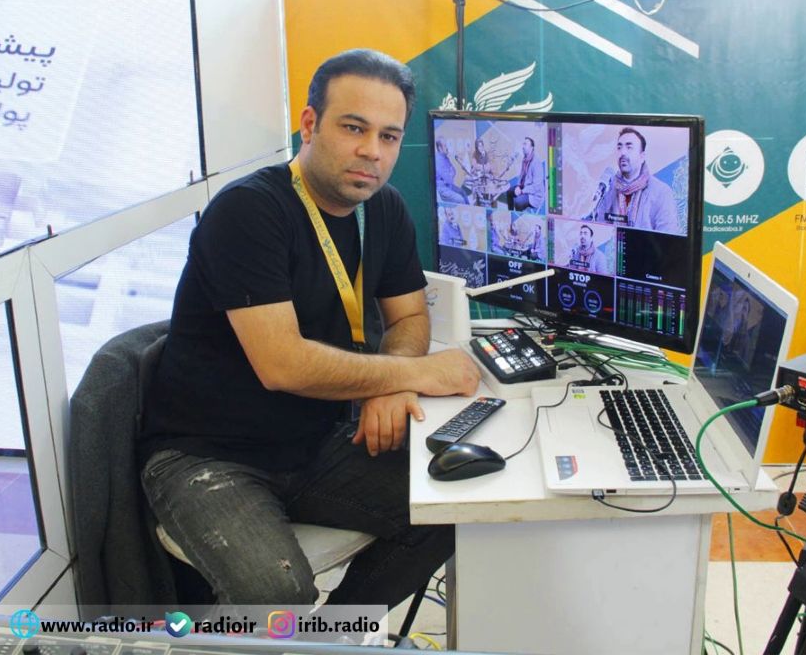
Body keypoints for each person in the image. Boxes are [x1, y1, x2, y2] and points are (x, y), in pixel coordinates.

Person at [139, 49, 480, 610]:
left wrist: (393, 380)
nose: (372, 151)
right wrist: (418, 373)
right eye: (354, 128)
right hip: (210, 456)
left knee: (457, 508)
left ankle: (335, 636)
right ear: (309, 123)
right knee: (277, 593)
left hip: (320, 441)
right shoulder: (249, 211)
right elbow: (284, 366)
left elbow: (409, 316)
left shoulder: (384, 208)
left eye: (389, 136)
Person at [586, 127, 679, 234]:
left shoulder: (662, 193)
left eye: (629, 147)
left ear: (642, 156)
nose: (622, 153)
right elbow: (599, 231)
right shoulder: (609, 190)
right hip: (614, 244)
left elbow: (668, 238)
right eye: (619, 147)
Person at [505, 137, 546, 212]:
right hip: (525, 187)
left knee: (518, 202)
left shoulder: (536, 162)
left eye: (525, 144)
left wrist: (522, 191)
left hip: (534, 195)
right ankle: (510, 212)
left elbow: (536, 186)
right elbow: (521, 176)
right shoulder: (525, 159)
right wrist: (518, 186)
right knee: (509, 192)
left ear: (531, 148)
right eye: (523, 144)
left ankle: (520, 216)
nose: (523, 147)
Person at [434, 138, 470, 204]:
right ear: (439, 148)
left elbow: (454, 170)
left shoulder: (445, 158)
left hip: (449, 186)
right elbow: (448, 179)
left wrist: (450, 173)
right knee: (461, 199)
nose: (447, 147)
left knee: (463, 192)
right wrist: (449, 174)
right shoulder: (438, 160)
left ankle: (469, 208)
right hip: (443, 189)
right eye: (445, 145)